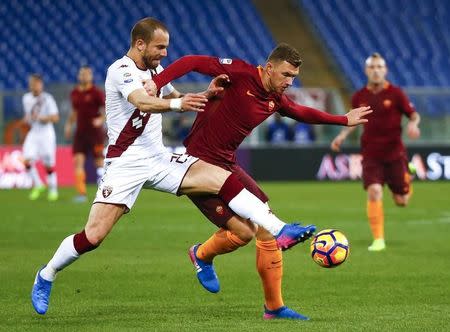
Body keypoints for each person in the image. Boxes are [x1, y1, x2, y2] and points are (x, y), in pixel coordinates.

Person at [30, 18, 317, 316]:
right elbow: (143, 101)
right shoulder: (120, 70)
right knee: (93, 236)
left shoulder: (155, 71)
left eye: (166, 47)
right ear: (140, 44)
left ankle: (279, 228)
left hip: (159, 158)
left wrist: (205, 95)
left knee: (221, 177)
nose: (165, 54)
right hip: (125, 163)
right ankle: (46, 274)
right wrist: (177, 106)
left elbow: (172, 96)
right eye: (160, 47)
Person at [149, 43, 372, 320]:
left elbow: (300, 112)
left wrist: (342, 120)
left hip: (228, 164)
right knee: (244, 233)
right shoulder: (240, 73)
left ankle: (274, 307)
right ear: (269, 68)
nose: (289, 82)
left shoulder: (275, 98)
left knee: (264, 225)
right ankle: (201, 255)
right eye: (285, 75)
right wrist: (156, 83)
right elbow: (193, 60)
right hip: (198, 166)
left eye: (293, 77)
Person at [330, 53, 420, 252]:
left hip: (395, 154)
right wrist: (342, 136)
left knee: (401, 201)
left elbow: (413, 115)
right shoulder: (359, 96)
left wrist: (413, 125)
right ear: (366, 71)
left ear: (385, 70)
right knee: (374, 191)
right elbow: (354, 121)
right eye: (373, 67)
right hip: (371, 155)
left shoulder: (396, 93)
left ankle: (408, 173)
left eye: (380, 67)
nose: (376, 70)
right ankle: (378, 239)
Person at [65, 66, 106, 202]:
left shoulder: (96, 93)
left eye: (87, 74)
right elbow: (75, 111)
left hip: (95, 134)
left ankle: (103, 191)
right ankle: (81, 193)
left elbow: (107, 108)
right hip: (80, 134)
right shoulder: (74, 93)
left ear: (91, 76)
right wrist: (69, 125)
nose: (84, 76)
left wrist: (101, 119)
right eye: (82, 74)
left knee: (99, 161)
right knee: (78, 162)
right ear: (78, 76)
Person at [22, 74, 59, 201]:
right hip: (33, 133)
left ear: (41, 85)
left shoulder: (47, 99)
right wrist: (26, 120)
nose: (35, 86)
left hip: (46, 134)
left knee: (48, 164)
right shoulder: (26, 98)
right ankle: (38, 184)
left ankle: (53, 190)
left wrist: (43, 118)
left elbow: (55, 118)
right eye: (32, 83)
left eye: (37, 83)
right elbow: (29, 116)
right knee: (26, 161)